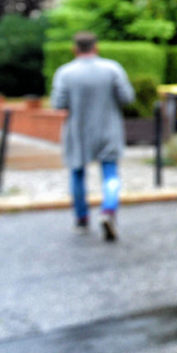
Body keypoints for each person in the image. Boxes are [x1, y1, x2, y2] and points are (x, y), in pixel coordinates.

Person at [51, 31, 135, 241]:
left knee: (77, 173)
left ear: (75, 49)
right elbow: (127, 97)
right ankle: (108, 210)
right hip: (108, 128)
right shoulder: (112, 68)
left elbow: (58, 104)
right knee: (110, 172)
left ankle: (81, 218)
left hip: (78, 131)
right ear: (96, 47)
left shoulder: (65, 73)